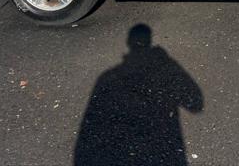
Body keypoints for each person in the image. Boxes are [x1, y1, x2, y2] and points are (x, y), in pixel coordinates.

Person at [74, 24, 203, 166]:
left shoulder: (108, 77)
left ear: (128, 42)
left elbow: (91, 121)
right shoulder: (163, 67)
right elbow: (195, 104)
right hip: (159, 148)